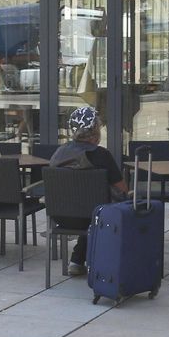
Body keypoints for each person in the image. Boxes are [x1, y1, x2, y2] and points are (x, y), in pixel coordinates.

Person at [47, 106, 129, 276]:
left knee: (88, 208)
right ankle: (118, 263)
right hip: (94, 218)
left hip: (61, 216)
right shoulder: (102, 155)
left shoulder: (59, 153)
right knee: (105, 209)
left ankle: (77, 261)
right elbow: (122, 190)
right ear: (95, 131)